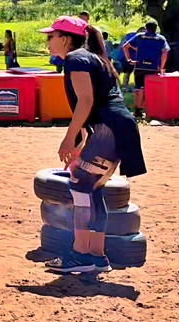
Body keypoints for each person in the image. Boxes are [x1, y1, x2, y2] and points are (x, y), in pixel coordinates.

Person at [40, 16, 145, 273]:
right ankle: (96, 256)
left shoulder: (76, 59)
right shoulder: (93, 58)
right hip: (116, 128)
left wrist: (68, 137)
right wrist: (81, 143)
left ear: (64, 39)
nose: (47, 41)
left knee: (80, 184)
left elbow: (86, 102)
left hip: (108, 130)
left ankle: (80, 255)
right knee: (92, 188)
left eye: (51, 36)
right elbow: (96, 104)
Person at [122, 21, 170, 118]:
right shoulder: (161, 39)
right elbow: (165, 52)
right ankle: (149, 110)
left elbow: (125, 46)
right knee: (151, 89)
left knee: (138, 88)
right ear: (156, 28)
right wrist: (161, 67)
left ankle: (137, 110)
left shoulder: (139, 36)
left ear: (146, 28)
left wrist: (129, 60)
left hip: (140, 66)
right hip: (153, 68)